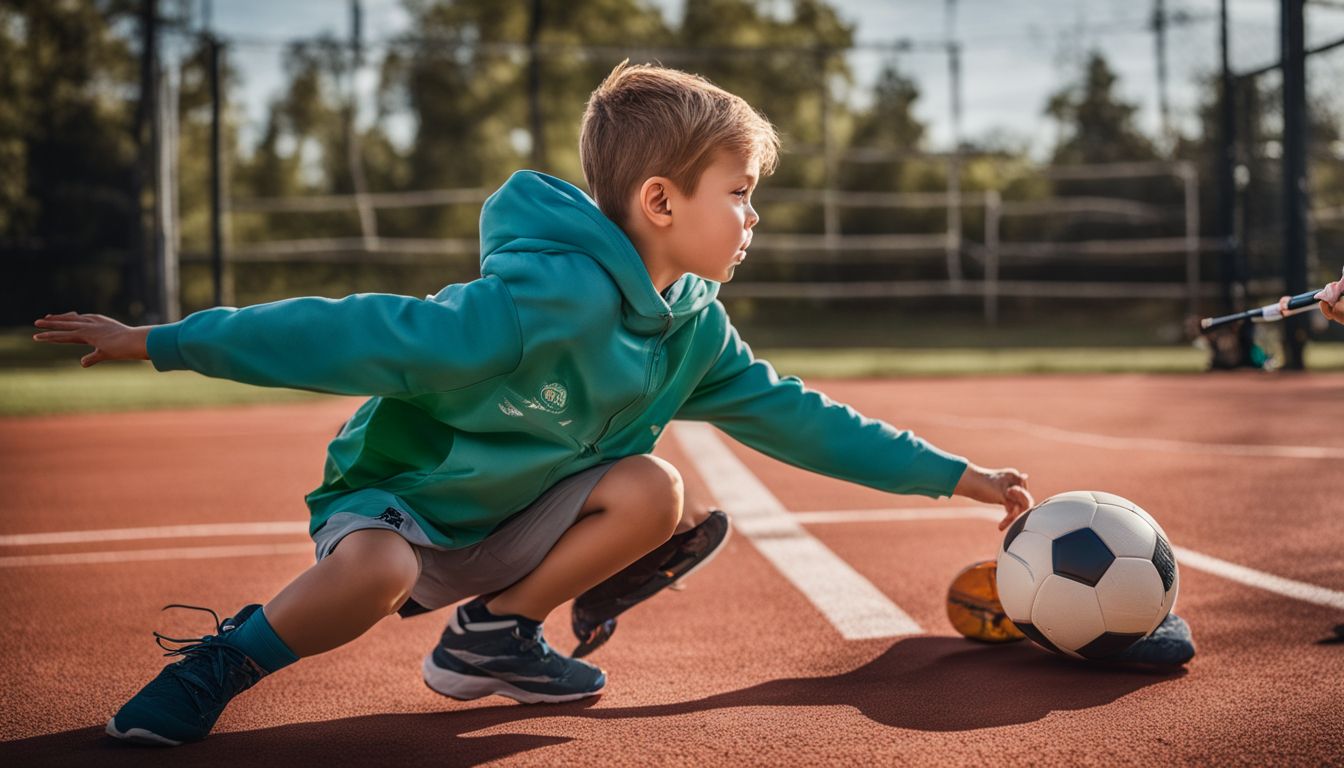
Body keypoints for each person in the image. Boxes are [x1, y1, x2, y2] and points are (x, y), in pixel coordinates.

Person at [32, 62, 1033, 747]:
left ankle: (494, 636)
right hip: (403, 505)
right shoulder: (527, 305)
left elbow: (803, 417)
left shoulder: (696, 328)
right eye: (738, 189)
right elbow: (349, 330)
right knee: (377, 569)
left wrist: (957, 477)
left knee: (653, 488)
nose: (753, 213)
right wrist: (165, 341)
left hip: (514, 525)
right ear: (660, 202)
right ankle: (217, 668)